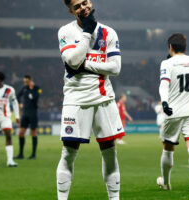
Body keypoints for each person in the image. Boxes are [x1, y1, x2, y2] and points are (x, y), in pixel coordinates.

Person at [56, 0, 123, 199]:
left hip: (103, 98)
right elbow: (72, 61)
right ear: (71, 11)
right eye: (77, 6)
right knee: (68, 153)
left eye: (85, 2)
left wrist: (85, 66)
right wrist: (86, 33)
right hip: (75, 100)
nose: (83, 7)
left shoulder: (108, 32)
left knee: (110, 152)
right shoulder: (65, 32)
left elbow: (115, 68)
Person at [157, 33, 189, 193]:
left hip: (173, 110)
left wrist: (165, 102)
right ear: (185, 46)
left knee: (168, 148)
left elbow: (164, 85)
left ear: (170, 47)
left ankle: (166, 183)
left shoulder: (166, 63)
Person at [15, 75, 41, 159]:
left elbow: (35, 99)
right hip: (25, 113)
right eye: (24, 81)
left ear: (30, 80)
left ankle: (33, 154)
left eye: (26, 81)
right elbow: (17, 96)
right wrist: (20, 103)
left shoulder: (37, 88)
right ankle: (21, 154)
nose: (25, 83)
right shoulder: (24, 88)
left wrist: (31, 89)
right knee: (21, 133)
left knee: (33, 132)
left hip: (33, 113)